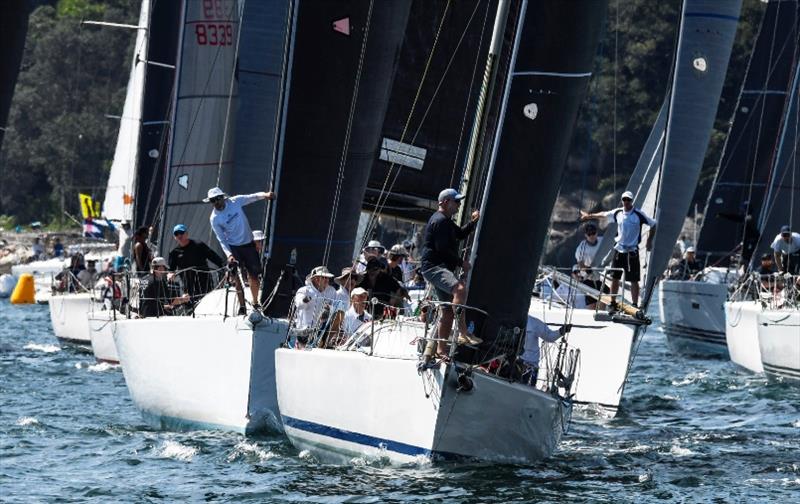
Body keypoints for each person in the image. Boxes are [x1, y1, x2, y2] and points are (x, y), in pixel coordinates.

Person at [420, 187, 482, 359]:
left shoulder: (446, 221)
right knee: (460, 289)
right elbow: (442, 249)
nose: (459, 204)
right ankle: (463, 332)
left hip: (440, 267)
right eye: (457, 201)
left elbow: (460, 234)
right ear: (445, 202)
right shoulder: (439, 221)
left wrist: (473, 222)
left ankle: (441, 351)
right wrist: (461, 262)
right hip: (434, 267)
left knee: (447, 311)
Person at [580, 190, 656, 307]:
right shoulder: (618, 212)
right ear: (622, 200)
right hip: (619, 250)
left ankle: (635, 304)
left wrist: (649, 241)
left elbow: (653, 224)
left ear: (632, 201)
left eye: (628, 200)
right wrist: (589, 216)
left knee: (634, 279)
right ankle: (613, 302)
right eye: (624, 199)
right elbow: (603, 214)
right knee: (615, 278)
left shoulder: (638, 214)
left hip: (632, 252)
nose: (626, 202)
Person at [206, 186, 276, 312]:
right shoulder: (214, 218)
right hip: (234, 248)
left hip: (248, 244)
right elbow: (221, 239)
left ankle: (255, 302)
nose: (216, 202)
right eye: (212, 200)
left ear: (223, 197)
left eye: (217, 199)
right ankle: (242, 306)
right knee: (237, 278)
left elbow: (252, 197)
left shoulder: (235, 201)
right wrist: (229, 255)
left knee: (254, 275)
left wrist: (265, 195)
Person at [168, 224, 225, 303]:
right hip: (188, 286)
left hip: (205, 282)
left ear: (186, 233)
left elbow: (214, 257)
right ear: (175, 237)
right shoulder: (174, 252)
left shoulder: (198, 244)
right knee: (191, 307)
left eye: (181, 232)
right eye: (176, 234)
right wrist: (170, 274)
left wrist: (225, 267)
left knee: (209, 303)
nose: (179, 235)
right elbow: (171, 270)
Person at [520, 316, 569, 385]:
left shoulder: (534, 323)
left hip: (529, 365)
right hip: (508, 362)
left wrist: (561, 331)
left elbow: (549, 336)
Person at [293, 266, 337, 331]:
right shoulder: (304, 290)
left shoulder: (332, 291)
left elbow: (336, 307)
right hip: (303, 330)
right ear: (316, 279)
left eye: (328, 278)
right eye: (324, 277)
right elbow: (300, 305)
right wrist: (305, 300)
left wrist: (329, 308)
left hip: (321, 331)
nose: (327, 280)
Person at [575, 222, 605, 307]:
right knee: (592, 304)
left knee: (603, 301)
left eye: (593, 233)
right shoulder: (581, 247)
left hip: (602, 276)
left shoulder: (603, 241)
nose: (592, 236)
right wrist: (587, 269)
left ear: (597, 233)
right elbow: (580, 264)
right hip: (589, 277)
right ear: (585, 235)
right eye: (589, 234)